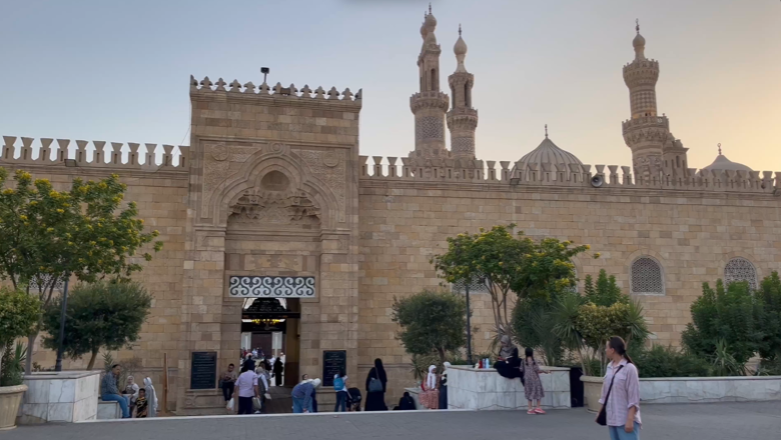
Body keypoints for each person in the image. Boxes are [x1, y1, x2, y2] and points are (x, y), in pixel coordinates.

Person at [598, 336, 642, 440]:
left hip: (625, 419)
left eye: (606, 347)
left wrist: (630, 419)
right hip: (612, 419)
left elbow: (634, 396)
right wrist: (600, 412)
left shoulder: (629, 368)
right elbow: (605, 392)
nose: (605, 350)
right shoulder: (609, 367)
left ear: (612, 350)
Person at [521, 347, 548, 415]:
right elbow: (537, 370)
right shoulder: (533, 361)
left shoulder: (523, 361)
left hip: (527, 379)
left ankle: (530, 409)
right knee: (538, 391)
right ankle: (538, 407)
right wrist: (545, 371)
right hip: (535, 378)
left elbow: (521, 369)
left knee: (529, 392)